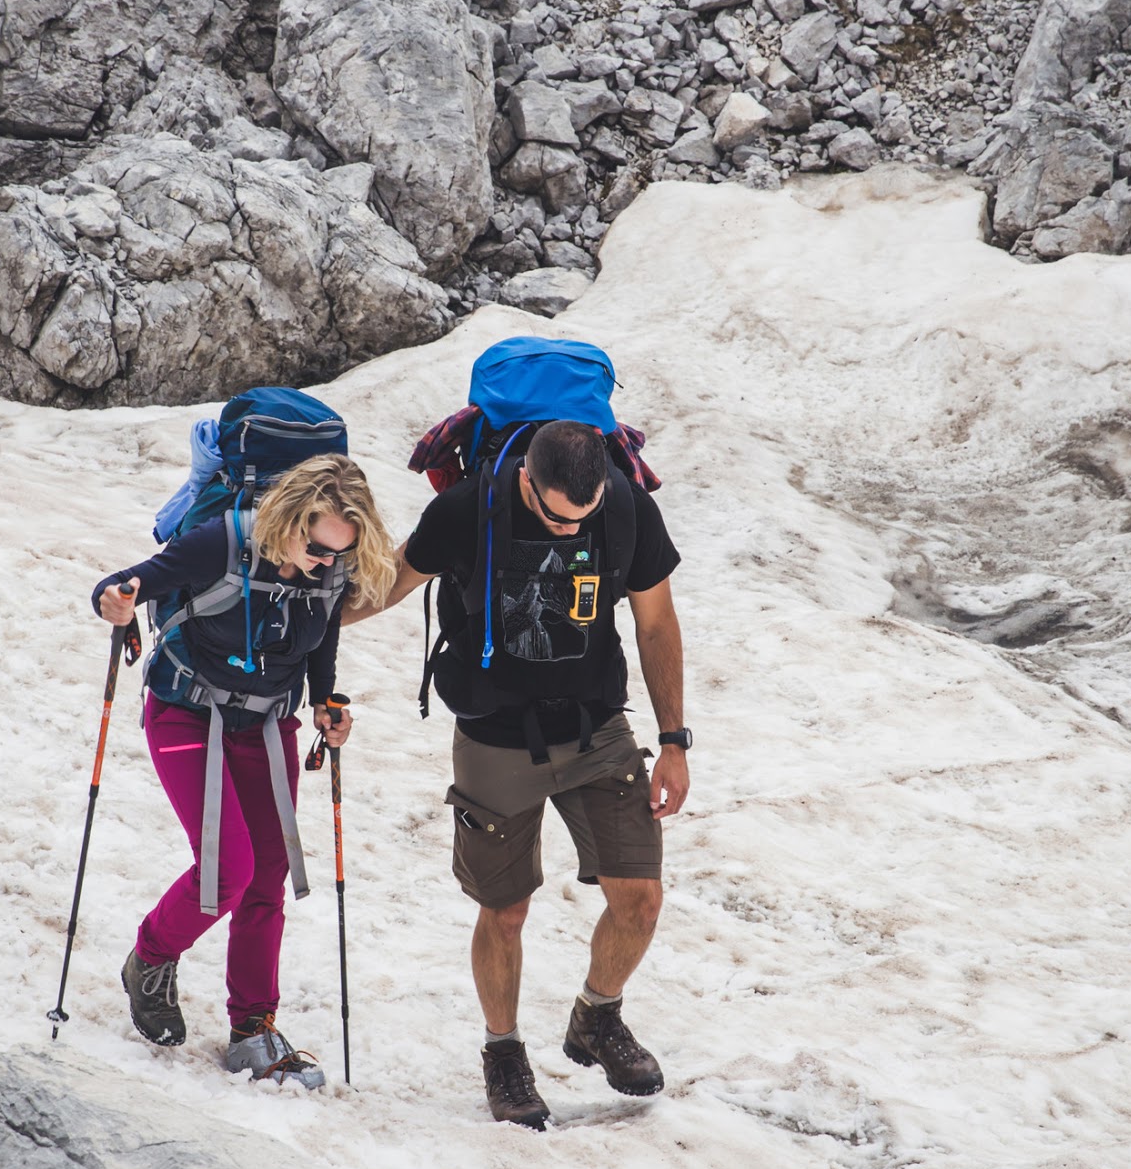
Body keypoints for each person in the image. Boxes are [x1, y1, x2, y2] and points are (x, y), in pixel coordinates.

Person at [345, 420, 689, 1128]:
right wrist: (278, 615)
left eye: (582, 519)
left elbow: (656, 623)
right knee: (504, 911)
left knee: (641, 898)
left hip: (597, 728)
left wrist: (674, 741)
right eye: (556, 517)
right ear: (526, 480)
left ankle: (597, 1016)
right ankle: (503, 1054)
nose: (569, 532)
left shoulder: (625, 507)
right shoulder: (467, 509)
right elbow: (385, 588)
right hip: (495, 736)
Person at [93, 454, 396, 1087]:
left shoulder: (330, 572)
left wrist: (327, 703)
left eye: (339, 555)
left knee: (269, 871)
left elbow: (322, 647)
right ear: (288, 518)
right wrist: (113, 602)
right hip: (185, 714)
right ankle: (149, 959)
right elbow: (127, 584)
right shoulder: (223, 541)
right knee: (228, 869)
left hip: (266, 724)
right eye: (317, 547)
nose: (325, 563)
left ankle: (253, 1026)